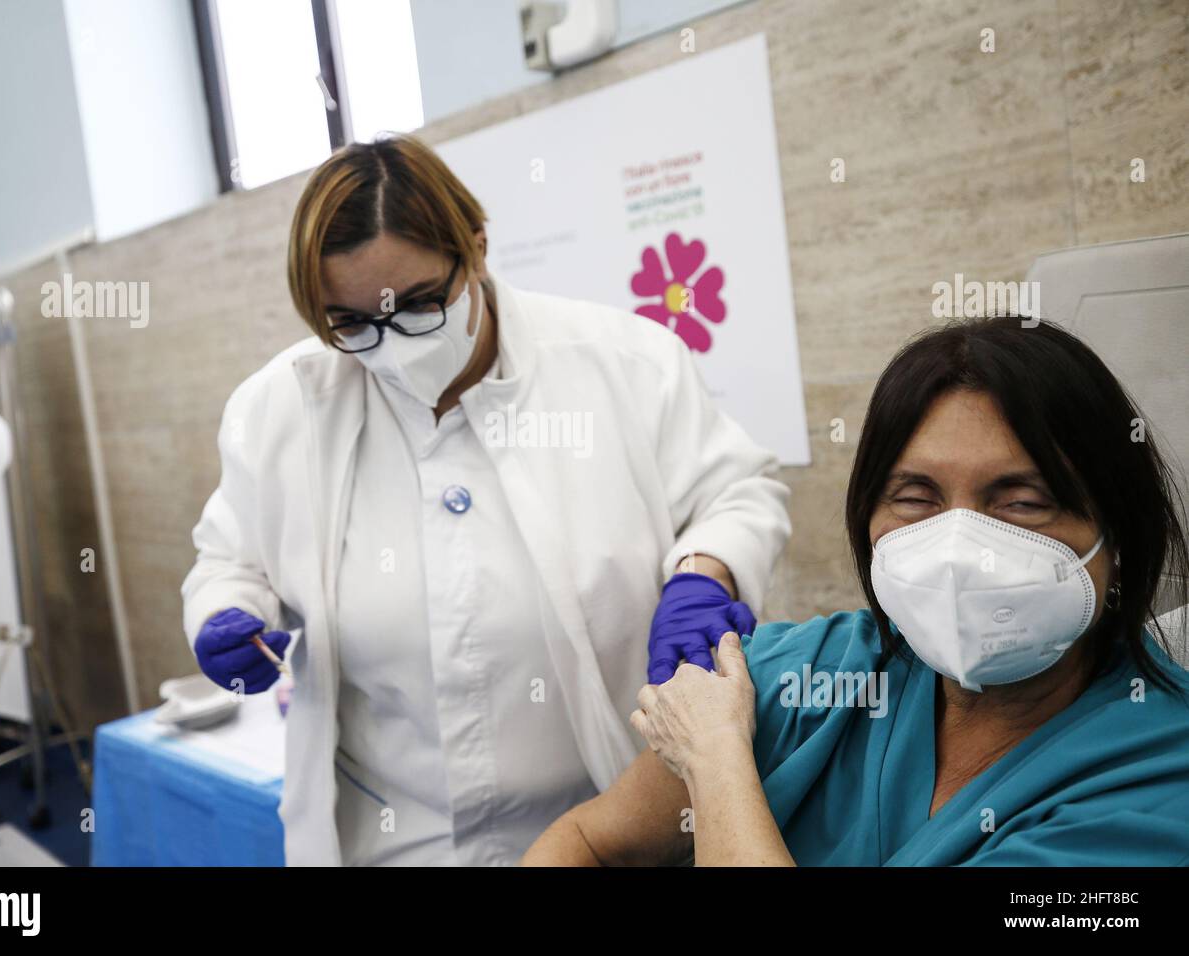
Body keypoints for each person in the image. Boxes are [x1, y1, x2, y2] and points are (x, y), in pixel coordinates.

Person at [180, 133, 791, 865]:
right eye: (352, 322)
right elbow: (230, 557)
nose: (391, 344)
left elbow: (739, 493)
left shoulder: (623, 364)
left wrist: (705, 571)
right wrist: (226, 613)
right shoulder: (281, 408)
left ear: (475, 248)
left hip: (606, 824)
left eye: (418, 305)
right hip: (394, 838)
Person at [522, 315, 1189, 866]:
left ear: (1119, 538)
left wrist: (717, 761)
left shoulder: (1156, 781)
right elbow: (582, 843)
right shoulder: (805, 677)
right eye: (915, 496)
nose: (958, 549)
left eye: (1020, 502)